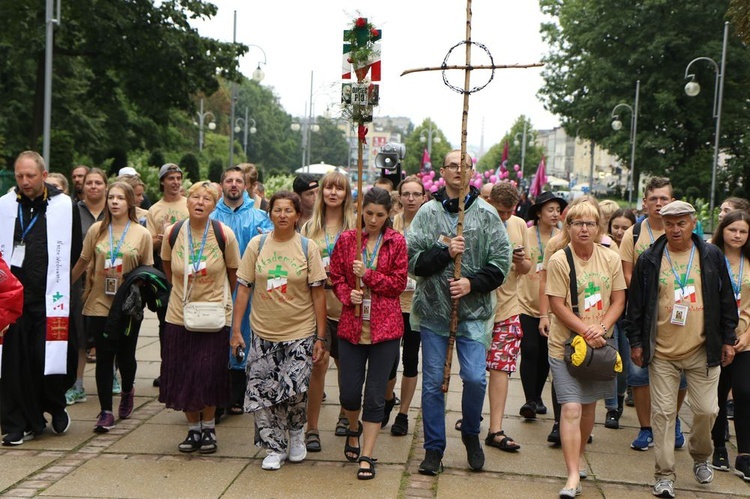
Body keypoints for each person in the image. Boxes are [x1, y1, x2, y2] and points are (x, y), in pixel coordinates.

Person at [625, 200, 737, 498]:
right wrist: (636, 342)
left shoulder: (711, 255)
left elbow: (727, 300)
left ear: (693, 222)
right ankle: (664, 475)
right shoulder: (649, 259)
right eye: (670, 223)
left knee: (707, 410)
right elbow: (635, 306)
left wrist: (728, 338)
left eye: (681, 223)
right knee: (663, 414)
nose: (675, 229)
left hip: (703, 348)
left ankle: (701, 457)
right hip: (661, 353)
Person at [408, 150, 511, 474]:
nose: (457, 170)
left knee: (475, 378)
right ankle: (433, 448)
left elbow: (500, 264)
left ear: (471, 171)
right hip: (434, 315)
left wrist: (471, 283)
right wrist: (444, 251)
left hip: (473, 315)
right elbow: (413, 262)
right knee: (432, 383)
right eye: (452, 164)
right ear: (442, 171)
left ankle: (470, 433)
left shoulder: (487, 215)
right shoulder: (427, 213)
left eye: (463, 165)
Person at [231, 191, 327, 470]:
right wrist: (236, 330)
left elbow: (318, 294)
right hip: (263, 332)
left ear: (298, 215)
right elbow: (244, 288)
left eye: (288, 210)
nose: (282, 215)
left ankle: (296, 433)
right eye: (277, 210)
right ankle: (273, 446)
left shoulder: (308, 247)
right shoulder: (257, 245)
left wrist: (321, 336)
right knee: (261, 392)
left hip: (300, 331)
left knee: (294, 389)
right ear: (269, 213)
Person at [0, 151, 82, 446]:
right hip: (13, 300)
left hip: (49, 297)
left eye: (30, 176)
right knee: (14, 364)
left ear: (44, 175)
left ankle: (55, 405)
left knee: (47, 357)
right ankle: (18, 422)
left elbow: (74, 248)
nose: (25, 181)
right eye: (20, 176)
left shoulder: (63, 206)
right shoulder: (6, 206)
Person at [546, 202, 626, 497]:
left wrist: (600, 329)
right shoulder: (559, 260)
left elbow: (619, 299)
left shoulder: (610, 257)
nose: (583, 229)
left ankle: (578, 457)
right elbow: (556, 304)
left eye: (590, 224)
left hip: (600, 346)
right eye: (577, 223)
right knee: (571, 407)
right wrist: (584, 330)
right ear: (568, 227)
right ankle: (571, 477)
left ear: (598, 228)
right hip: (564, 346)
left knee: (590, 407)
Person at [330, 187, 408, 480]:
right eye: (369, 213)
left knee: (375, 396)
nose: (373, 220)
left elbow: (398, 283)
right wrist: (346, 292)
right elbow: (335, 275)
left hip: (385, 329)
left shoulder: (396, 242)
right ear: (361, 210)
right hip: (351, 326)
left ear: (389, 215)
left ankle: (367, 454)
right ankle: (353, 428)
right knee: (350, 393)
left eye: (380, 215)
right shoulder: (349, 239)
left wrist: (369, 276)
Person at [159, 181, 240, 454]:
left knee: (209, 372)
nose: (199, 202)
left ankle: (209, 428)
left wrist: (218, 297)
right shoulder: (173, 232)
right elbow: (168, 268)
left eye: (206, 198)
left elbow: (233, 273)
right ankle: (193, 430)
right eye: (195, 197)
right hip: (180, 314)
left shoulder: (223, 234)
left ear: (214, 205)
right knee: (183, 372)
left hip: (214, 314)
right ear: (187, 200)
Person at [70, 182, 154, 432]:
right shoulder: (97, 230)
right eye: (111, 197)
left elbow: (147, 269)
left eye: (120, 198)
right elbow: (84, 261)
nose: (114, 202)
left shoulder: (142, 233)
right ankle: (105, 411)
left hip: (128, 306)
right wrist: (63, 287)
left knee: (126, 356)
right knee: (104, 357)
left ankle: (128, 389)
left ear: (130, 202)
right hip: (98, 302)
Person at [620, 177, 688, 451]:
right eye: (654, 199)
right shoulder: (634, 234)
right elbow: (627, 274)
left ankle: (673, 421)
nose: (659, 204)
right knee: (638, 373)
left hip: (677, 317)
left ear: (672, 201)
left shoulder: (684, 232)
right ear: (645, 203)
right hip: (641, 316)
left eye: (664, 199)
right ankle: (646, 427)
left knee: (681, 375)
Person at [300, 171, 356, 451]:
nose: (333, 193)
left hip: (346, 307)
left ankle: (346, 415)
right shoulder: (310, 227)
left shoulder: (355, 227)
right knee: (317, 364)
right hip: (317, 307)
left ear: (347, 194)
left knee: (347, 366)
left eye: (340, 188)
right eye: (329, 188)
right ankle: (311, 427)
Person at [210, 166, 272, 416]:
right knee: (218, 337)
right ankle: (219, 394)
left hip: (249, 289)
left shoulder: (259, 217)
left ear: (246, 186)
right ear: (222, 185)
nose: (234, 185)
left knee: (245, 335)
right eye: (229, 181)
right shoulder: (212, 216)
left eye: (238, 181)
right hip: (217, 288)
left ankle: (240, 393)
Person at [477, 182, 531, 452]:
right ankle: (471, 415)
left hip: (508, 308)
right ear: (488, 202)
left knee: (500, 369)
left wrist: (520, 261)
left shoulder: (519, 225)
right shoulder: (474, 222)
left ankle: (495, 429)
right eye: (501, 211)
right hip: (476, 309)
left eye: (510, 211)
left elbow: (527, 267)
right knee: (474, 372)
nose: (506, 217)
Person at [517, 191, 567, 420]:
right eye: (550, 209)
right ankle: (529, 400)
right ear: (538, 213)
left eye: (558, 210)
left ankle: (537, 397)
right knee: (529, 349)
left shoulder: (562, 238)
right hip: (525, 302)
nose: (555, 214)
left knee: (545, 353)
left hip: (552, 308)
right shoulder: (525, 234)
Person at [708, 210, 750, 479]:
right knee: (718, 395)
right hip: (714, 338)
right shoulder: (710, 256)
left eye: (743, 231)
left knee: (745, 392)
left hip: (745, 339)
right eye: (732, 229)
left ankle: (745, 453)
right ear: (722, 230)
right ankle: (719, 446)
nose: (737, 235)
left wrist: (746, 337)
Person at [386, 176, 426, 437]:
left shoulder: (431, 223)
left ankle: (403, 414)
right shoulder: (391, 224)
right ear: (399, 197)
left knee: (411, 359)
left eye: (416, 194)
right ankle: (388, 399)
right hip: (390, 301)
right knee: (389, 360)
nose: (411, 198)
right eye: (406, 194)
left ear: (424, 197)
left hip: (418, 303)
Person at [66, 167, 108, 404]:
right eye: (89, 182)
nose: (93, 186)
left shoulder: (113, 210)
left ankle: (111, 376)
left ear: (105, 186)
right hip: (80, 280)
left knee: (107, 332)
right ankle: (78, 383)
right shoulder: (74, 212)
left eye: (98, 183)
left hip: (108, 280)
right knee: (79, 333)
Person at [146, 163, 189, 387]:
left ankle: (186, 367)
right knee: (165, 323)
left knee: (189, 321)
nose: (175, 182)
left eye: (178, 178)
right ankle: (168, 368)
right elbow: (149, 241)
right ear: (162, 181)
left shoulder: (189, 204)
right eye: (170, 178)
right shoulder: (155, 209)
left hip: (189, 271)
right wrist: (160, 238)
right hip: (164, 271)